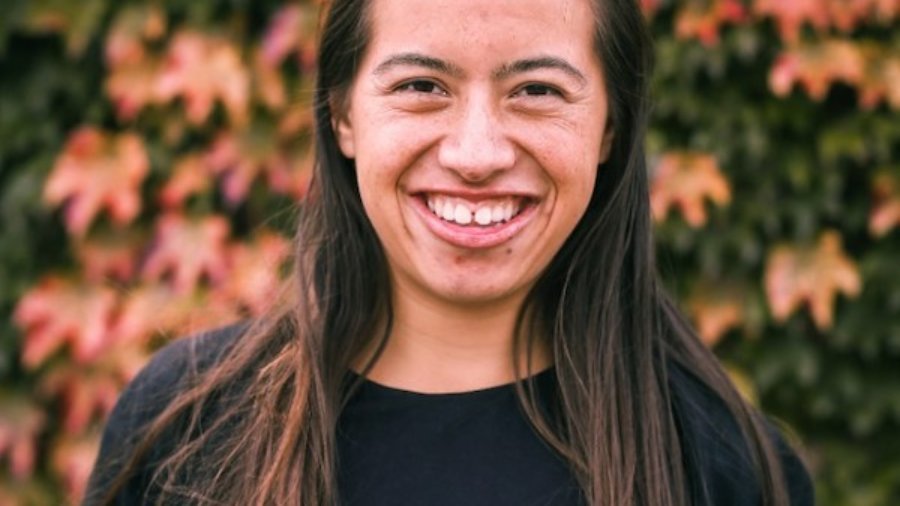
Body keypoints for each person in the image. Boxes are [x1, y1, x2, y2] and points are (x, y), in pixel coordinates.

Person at [85, 0, 815, 504]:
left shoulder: (719, 464)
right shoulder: (186, 426)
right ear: (342, 114)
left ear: (610, 131)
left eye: (535, 89)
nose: (475, 154)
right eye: (421, 85)